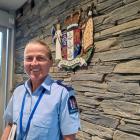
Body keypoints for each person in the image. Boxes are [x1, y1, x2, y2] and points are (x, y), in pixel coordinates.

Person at [1, 40, 80, 140]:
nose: (34, 63)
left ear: (50, 62)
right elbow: (10, 125)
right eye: (29, 58)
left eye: (40, 58)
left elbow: (69, 137)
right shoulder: (18, 91)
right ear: (24, 62)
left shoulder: (63, 94)